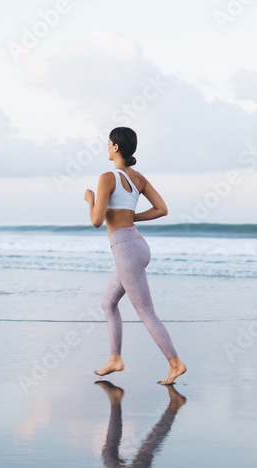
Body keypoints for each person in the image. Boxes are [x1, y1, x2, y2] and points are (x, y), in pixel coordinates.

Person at [84, 126, 187, 386]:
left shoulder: (107, 177)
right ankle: (115, 358)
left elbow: (97, 221)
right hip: (137, 244)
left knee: (146, 313)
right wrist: (131, 217)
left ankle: (176, 363)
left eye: (108, 143)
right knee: (108, 303)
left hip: (126, 249)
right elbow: (162, 209)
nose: (107, 147)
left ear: (116, 147)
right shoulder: (138, 178)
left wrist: (90, 200)